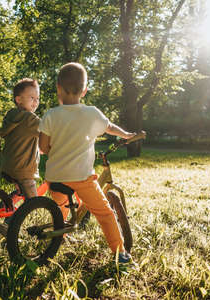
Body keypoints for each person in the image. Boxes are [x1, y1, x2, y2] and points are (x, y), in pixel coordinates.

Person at [38, 62, 135, 263]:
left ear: (58, 88)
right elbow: (110, 127)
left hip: (54, 177)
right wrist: (126, 134)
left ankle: (60, 234)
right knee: (105, 213)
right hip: (81, 177)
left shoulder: (50, 115)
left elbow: (42, 148)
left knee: (60, 207)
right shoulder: (91, 113)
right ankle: (120, 253)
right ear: (84, 90)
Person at [0, 78, 41, 237]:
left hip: (9, 166)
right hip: (23, 169)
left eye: (38, 99)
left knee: (19, 193)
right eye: (32, 98)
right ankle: (5, 227)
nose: (36, 102)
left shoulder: (12, 116)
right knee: (32, 202)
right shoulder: (29, 118)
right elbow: (49, 128)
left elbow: (24, 139)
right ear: (18, 99)